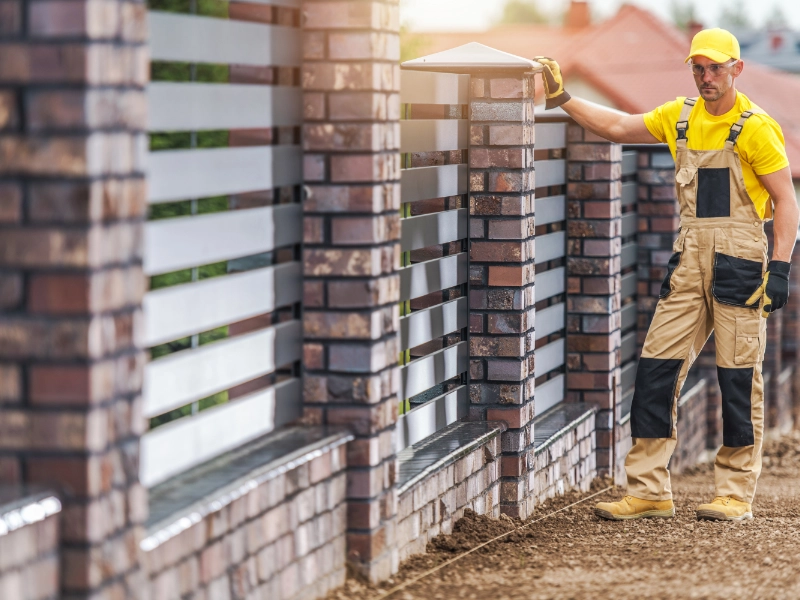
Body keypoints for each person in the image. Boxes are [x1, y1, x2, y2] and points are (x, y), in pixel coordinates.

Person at [535, 27, 800, 521]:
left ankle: (734, 494)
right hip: (689, 258)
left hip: (741, 261)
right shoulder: (679, 117)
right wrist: (562, 98)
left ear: (736, 69)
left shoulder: (756, 127)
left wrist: (780, 267)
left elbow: (786, 200)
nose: (706, 77)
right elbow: (618, 127)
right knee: (655, 370)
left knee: (737, 378)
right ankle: (649, 490)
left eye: (715, 68)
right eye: (698, 68)